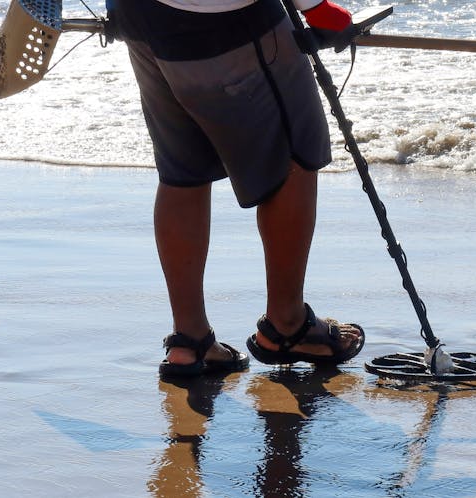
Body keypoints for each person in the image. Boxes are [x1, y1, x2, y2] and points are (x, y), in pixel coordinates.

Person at [111, 0, 366, 377]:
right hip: (223, 19)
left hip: (139, 15)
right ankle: (287, 324)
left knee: (183, 169)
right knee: (295, 152)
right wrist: (316, 8)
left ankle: (189, 341)